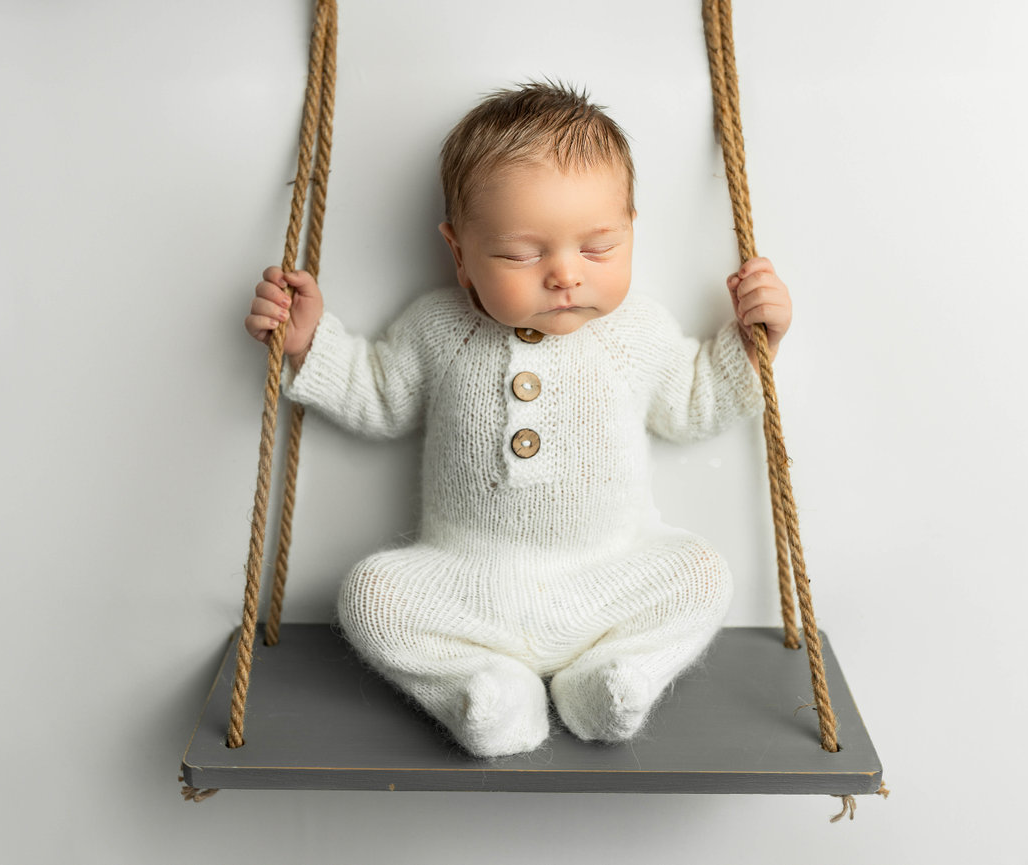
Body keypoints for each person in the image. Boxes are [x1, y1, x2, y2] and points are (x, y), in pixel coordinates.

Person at [244, 82, 792, 758]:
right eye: (521, 254)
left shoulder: (638, 331)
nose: (564, 274)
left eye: (598, 247)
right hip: (468, 584)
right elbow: (378, 395)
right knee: (371, 595)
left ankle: (612, 676)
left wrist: (753, 342)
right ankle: (485, 688)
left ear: (631, 228)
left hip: (606, 576)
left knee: (702, 573)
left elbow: (693, 403)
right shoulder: (438, 327)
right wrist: (309, 342)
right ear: (459, 253)